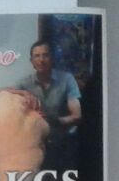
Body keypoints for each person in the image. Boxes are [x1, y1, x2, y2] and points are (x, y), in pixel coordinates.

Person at [12, 40, 82, 173]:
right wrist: (23, 93)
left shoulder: (67, 79)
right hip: (37, 144)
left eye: (45, 55)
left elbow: (77, 116)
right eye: (37, 56)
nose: (41, 60)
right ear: (31, 61)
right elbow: (2, 93)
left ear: (52, 58)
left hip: (64, 142)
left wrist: (54, 120)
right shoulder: (24, 83)